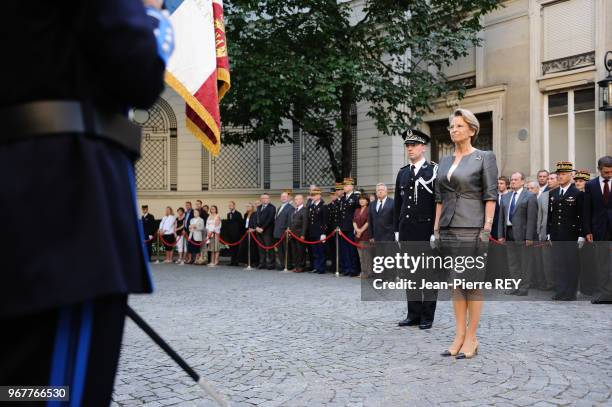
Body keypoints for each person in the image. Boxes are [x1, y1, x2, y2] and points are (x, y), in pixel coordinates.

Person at [0, 0, 168, 402]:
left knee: (12, 391)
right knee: (54, 392)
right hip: (63, 203)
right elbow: (137, 69)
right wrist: (154, 12)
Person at [434, 108, 498, 359]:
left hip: (472, 227)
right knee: (455, 283)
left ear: (472, 130)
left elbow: (490, 195)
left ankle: (472, 336)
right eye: (451, 126)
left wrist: (487, 229)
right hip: (449, 227)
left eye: (459, 126)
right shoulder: (445, 161)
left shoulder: (484, 157)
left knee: (472, 283)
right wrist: (436, 229)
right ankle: (459, 335)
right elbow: (439, 198)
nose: (453, 130)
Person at [394, 129, 438, 330]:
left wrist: (434, 232)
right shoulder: (403, 172)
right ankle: (413, 314)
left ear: (423, 147)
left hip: (425, 230)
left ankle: (427, 316)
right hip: (407, 231)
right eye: (407, 145)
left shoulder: (434, 171)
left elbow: (438, 202)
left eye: (413, 145)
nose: (410, 149)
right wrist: (397, 230)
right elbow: (398, 204)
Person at [547, 161, 584, 301]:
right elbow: (551, 215)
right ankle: (560, 291)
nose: (560, 177)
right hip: (556, 234)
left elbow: (582, 215)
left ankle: (570, 292)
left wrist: (581, 234)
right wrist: (549, 232)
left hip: (571, 235)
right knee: (558, 264)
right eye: (559, 174)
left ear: (570, 175)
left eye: (563, 174)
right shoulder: (554, 193)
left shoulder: (577, 193)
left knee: (571, 264)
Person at [497, 172, 538, 296]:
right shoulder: (506, 197)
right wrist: (500, 235)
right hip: (508, 232)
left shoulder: (530, 196)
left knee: (525, 262)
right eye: (512, 179)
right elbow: (501, 218)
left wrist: (529, 237)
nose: (513, 181)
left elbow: (532, 218)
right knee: (513, 262)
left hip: (524, 234)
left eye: (515, 179)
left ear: (522, 182)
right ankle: (515, 285)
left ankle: (524, 287)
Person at [583, 156, 612, 303]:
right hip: (599, 230)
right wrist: (587, 231)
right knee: (602, 263)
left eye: (611, 172)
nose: (609, 174)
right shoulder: (591, 185)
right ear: (599, 170)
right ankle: (605, 294)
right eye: (606, 172)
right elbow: (587, 210)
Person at [536, 172, 559, 291]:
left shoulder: (563, 193)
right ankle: (550, 283)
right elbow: (540, 216)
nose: (549, 181)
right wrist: (539, 232)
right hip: (545, 232)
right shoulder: (543, 196)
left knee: (560, 260)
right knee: (547, 260)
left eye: (552, 178)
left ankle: (561, 283)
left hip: (560, 233)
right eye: (548, 179)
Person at [339, 178, 360, 276]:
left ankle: (354, 269)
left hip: (351, 227)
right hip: (343, 227)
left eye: (346, 185)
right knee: (345, 249)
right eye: (344, 186)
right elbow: (340, 214)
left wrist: (356, 227)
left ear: (351, 186)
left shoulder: (356, 198)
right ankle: (347, 268)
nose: (344, 187)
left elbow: (357, 214)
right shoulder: (343, 198)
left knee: (352, 249)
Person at [308, 188, 328, 274]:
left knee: (320, 251)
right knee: (315, 251)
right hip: (312, 232)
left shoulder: (323, 206)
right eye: (312, 195)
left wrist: (323, 233)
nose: (313, 196)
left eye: (315, 195)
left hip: (319, 232)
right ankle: (316, 267)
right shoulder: (311, 206)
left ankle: (321, 268)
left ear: (319, 196)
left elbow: (325, 221)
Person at [273, 191, 294, 270]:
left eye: (285, 196)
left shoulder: (290, 208)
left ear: (288, 198)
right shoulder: (279, 207)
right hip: (278, 232)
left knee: (286, 250)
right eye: (282, 196)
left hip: (284, 232)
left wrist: (288, 231)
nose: (283, 198)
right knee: (280, 251)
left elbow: (290, 221)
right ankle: (282, 264)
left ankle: (287, 265)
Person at [325, 183, 344, 272]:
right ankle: (334, 265)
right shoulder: (329, 206)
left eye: (334, 194)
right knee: (332, 249)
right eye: (331, 195)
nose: (332, 196)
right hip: (330, 231)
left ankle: (340, 266)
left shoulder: (339, 203)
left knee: (339, 249)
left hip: (337, 229)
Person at [353, 193, 372, 278]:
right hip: (357, 235)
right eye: (360, 199)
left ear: (367, 201)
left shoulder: (369, 209)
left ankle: (367, 273)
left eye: (363, 199)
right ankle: (363, 272)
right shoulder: (357, 210)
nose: (361, 201)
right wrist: (357, 230)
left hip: (365, 234)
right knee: (360, 255)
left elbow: (368, 222)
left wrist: (361, 230)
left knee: (366, 255)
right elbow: (353, 221)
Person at [255, 194, 276, 269]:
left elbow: (270, 219)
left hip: (267, 231)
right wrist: (256, 227)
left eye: (265, 198)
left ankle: (271, 264)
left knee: (269, 248)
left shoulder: (272, 207)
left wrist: (262, 228)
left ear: (268, 199)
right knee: (260, 248)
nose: (264, 199)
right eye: (262, 198)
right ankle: (262, 263)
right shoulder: (258, 207)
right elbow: (255, 218)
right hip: (258, 231)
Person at [290, 195, 309, 272]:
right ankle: (296, 266)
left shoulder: (304, 210)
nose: (296, 201)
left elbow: (305, 224)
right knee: (294, 251)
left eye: (297, 199)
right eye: (295, 199)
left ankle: (301, 266)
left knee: (301, 251)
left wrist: (303, 235)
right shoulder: (295, 210)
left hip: (300, 235)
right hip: (293, 234)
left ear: (302, 200)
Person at [240, 203, 259, 267]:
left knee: (252, 248)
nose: (247, 207)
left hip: (252, 232)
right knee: (246, 247)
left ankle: (253, 262)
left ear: (252, 207)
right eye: (246, 206)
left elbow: (255, 222)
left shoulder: (255, 214)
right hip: (246, 232)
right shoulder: (246, 214)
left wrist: (253, 229)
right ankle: (247, 261)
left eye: (249, 206)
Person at [225, 201, 244, 266]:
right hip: (230, 234)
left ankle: (236, 261)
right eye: (229, 205)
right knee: (231, 248)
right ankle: (232, 261)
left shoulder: (238, 214)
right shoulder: (228, 214)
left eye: (231, 205)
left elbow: (241, 224)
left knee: (236, 248)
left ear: (234, 206)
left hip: (237, 234)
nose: (230, 206)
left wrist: (240, 234)